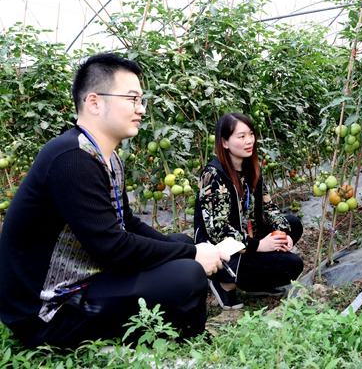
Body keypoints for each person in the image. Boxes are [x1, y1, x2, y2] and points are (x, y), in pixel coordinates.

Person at [0, 53, 229, 349]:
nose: (141, 109)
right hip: (48, 311)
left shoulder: (106, 157)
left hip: (85, 280)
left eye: (141, 100)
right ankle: (177, 339)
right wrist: (191, 256)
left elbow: (128, 223)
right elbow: (112, 247)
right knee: (186, 273)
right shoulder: (71, 159)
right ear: (94, 102)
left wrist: (189, 248)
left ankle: (178, 335)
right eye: (132, 99)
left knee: (179, 242)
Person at [194, 112, 304, 310]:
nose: (249, 141)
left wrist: (282, 234)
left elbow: (268, 207)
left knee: (293, 224)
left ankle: (253, 284)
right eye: (241, 136)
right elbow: (217, 231)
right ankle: (223, 281)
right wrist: (259, 245)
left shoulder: (251, 169)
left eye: (251, 134)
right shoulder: (213, 175)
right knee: (292, 265)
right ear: (225, 142)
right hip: (225, 250)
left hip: (248, 236)